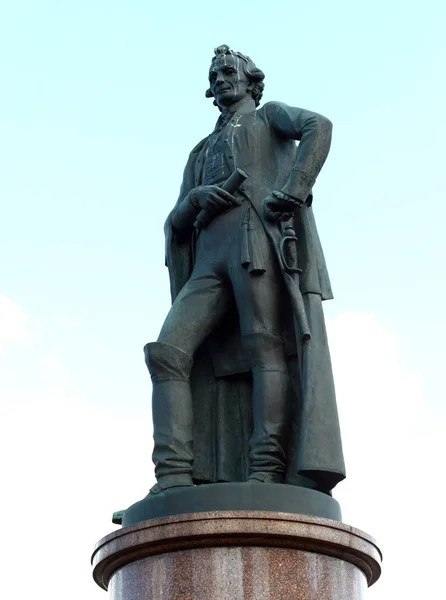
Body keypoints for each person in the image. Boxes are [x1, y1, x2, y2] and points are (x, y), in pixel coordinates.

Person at [144, 45, 345, 495]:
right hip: (209, 254)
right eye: (213, 74)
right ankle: (174, 473)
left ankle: (266, 468)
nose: (220, 79)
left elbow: (319, 126)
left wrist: (295, 187)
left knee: (264, 347)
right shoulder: (200, 151)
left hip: (255, 238)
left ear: (251, 80)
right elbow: (176, 218)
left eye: (229, 70)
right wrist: (194, 201)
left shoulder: (269, 116)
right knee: (167, 352)